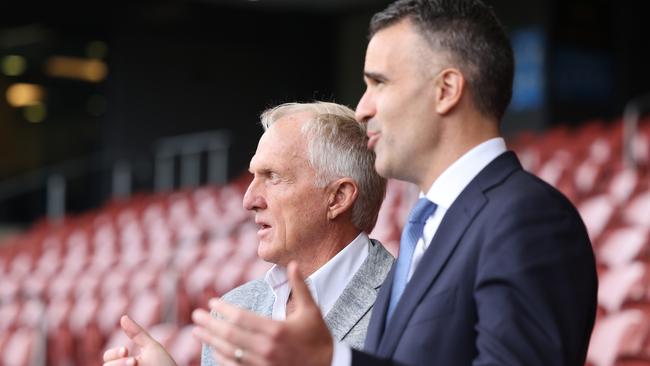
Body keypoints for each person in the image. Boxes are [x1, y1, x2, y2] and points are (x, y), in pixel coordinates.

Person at [191, 1, 598, 365]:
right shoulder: (427, 232)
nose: (363, 109)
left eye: (379, 83)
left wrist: (332, 361)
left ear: (446, 90)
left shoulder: (530, 220)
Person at [102, 102, 393, 366]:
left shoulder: (408, 301)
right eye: (253, 176)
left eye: (273, 177)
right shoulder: (234, 308)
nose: (249, 200)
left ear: (338, 197)